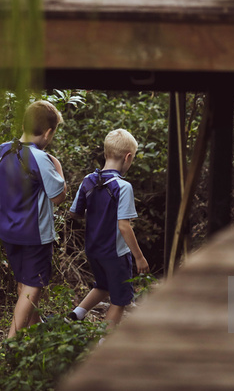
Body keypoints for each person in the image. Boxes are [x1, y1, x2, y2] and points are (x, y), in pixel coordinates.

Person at [0, 100, 67, 338]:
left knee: (24, 281)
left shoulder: (0, 151)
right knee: (33, 286)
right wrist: (59, 169)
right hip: (35, 236)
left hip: (8, 233)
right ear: (48, 132)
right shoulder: (42, 158)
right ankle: (9, 345)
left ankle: (36, 329)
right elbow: (58, 197)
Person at [68, 129, 149, 329]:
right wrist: (139, 257)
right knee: (120, 300)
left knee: (103, 286)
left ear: (105, 154)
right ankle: (103, 340)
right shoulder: (122, 187)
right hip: (115, 253)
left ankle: (75, 314)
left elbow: (74, 213)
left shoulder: (88, 181)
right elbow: (124, 226)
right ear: (128, 157)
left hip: (93, 250)